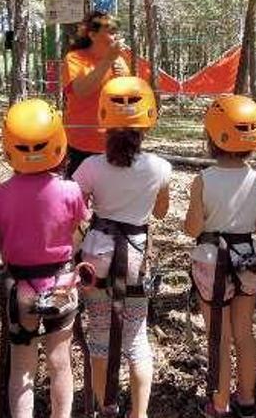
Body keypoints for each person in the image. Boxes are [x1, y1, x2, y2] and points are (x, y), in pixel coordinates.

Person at [73, 77, 171, 418]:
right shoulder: (160, 167)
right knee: (136, 339)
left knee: (100, 337)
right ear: (147, 120)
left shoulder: (89, 167)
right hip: (135, 255)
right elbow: (160, 211)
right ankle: (139, 414)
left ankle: (107, 408)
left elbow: (75, 210)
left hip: (96, 255)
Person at [0, 99, 89, 418]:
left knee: (22, 369)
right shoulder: (71, 191)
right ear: (57, 142)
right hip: (61, 282)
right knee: (61, 365)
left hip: (20, 286)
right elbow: (77, 236)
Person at [184, 94, 256, 418]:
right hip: (247, 257)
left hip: (211, 259)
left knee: (218, 337)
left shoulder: (203, 180)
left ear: (212, 135)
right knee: (244, 333)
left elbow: (192, 227)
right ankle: (247, 399)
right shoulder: (255, 179)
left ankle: (219, 404)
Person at [61, 11, 131, 177]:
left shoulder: (121, 60)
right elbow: (81, 91)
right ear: (92, 35)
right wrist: (107, 61)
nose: (117, 37)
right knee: (77, 198)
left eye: (117, 32)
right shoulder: (74, 58)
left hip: (115, 142)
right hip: (81, 143)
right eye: (111, 32)